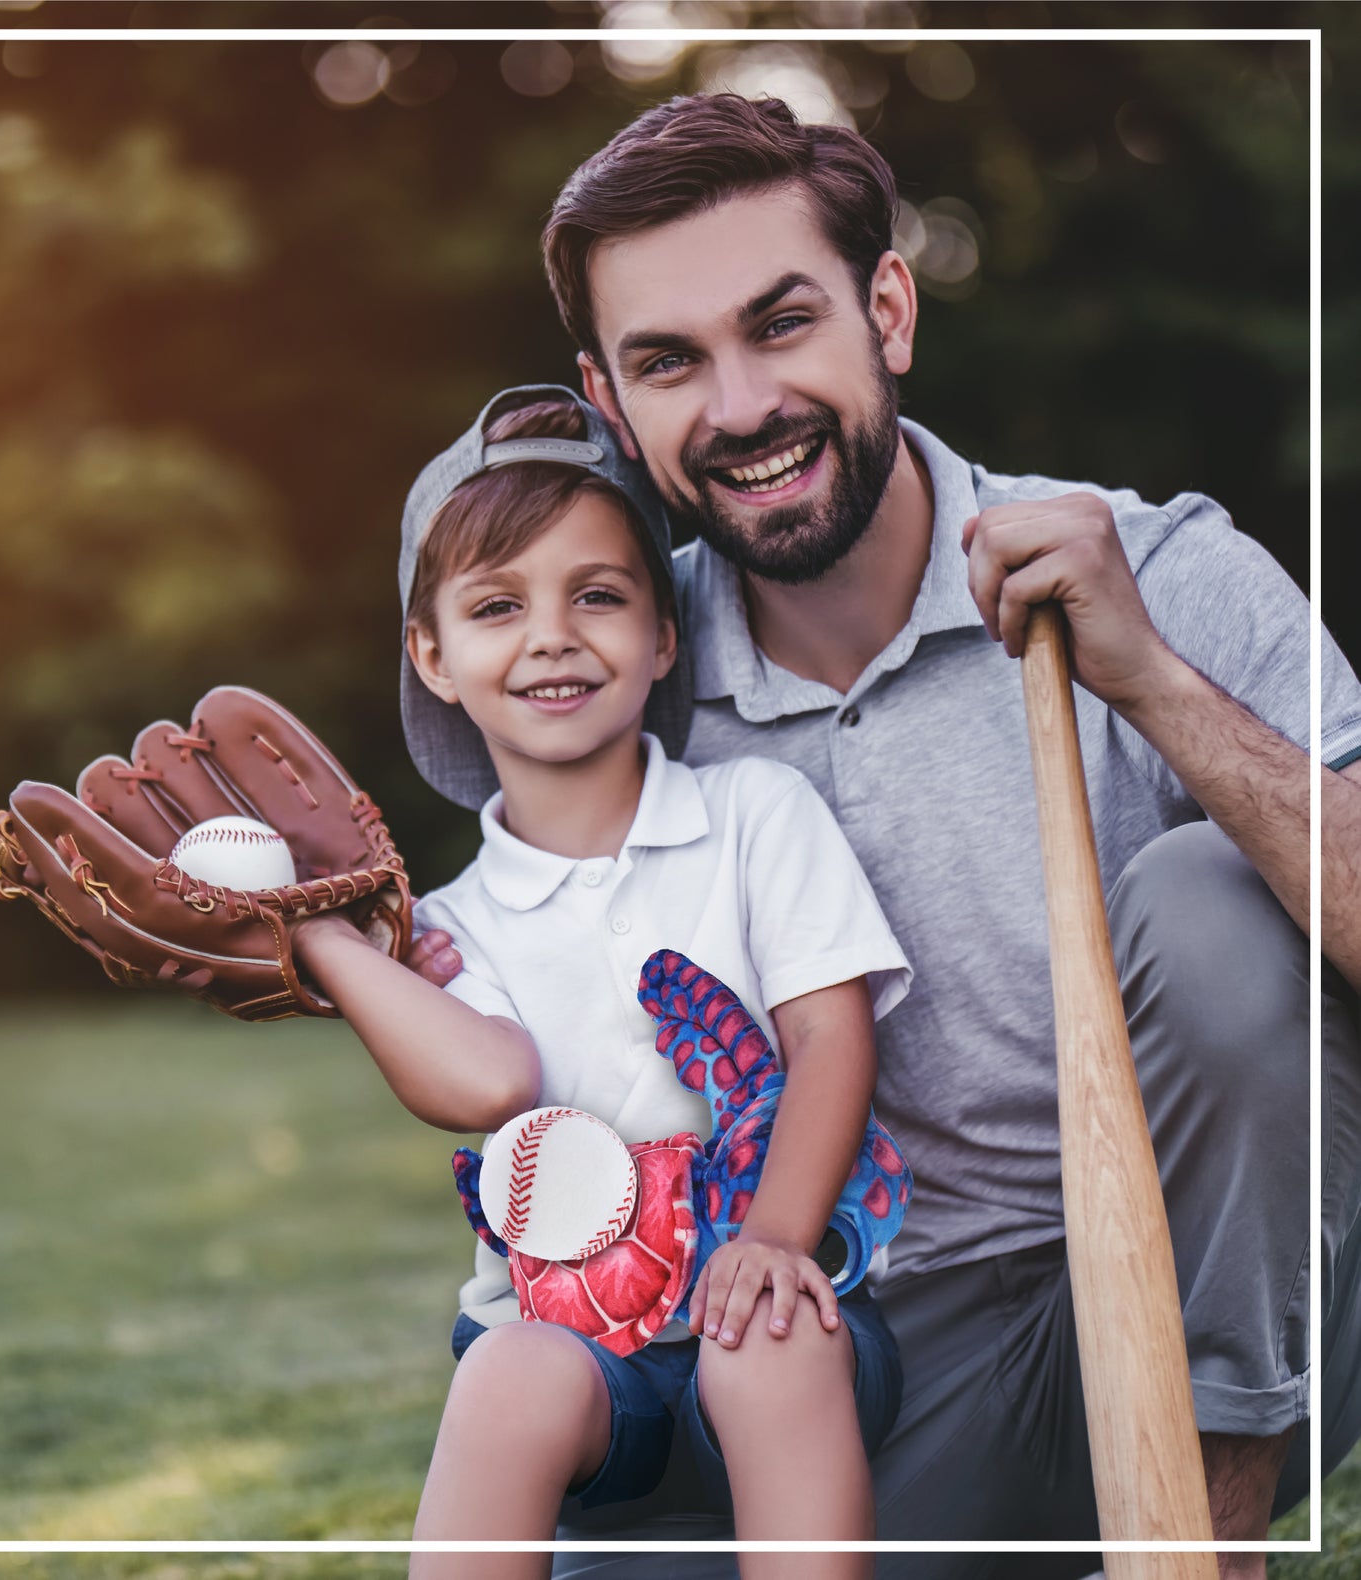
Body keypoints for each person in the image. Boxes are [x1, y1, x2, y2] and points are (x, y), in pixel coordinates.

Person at [403, 94, 1361, 1578]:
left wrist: (1156, 684)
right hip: (875, 1350)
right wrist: (302, 940)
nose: (736, 407)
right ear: (609, 397)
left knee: (1208, 904)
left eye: (781, 323)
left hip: (1235, 1293)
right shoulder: (613, 666)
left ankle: (1190, 1555)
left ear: (889, 308)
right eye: (668, 362)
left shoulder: (1156, 567)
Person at [297, 386, 915, 1579]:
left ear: (663, 632)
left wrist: (775, 1236)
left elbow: (832, 1041)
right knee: (507, 1368)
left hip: (786, 1324)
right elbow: (488, 1077)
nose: (551, 635)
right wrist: (327, 940)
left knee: (767, 1333)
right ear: (430, 653)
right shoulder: (445, 928)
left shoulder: (751, 815)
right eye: (493, 606)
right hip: (587, 1374)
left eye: (597, 594)